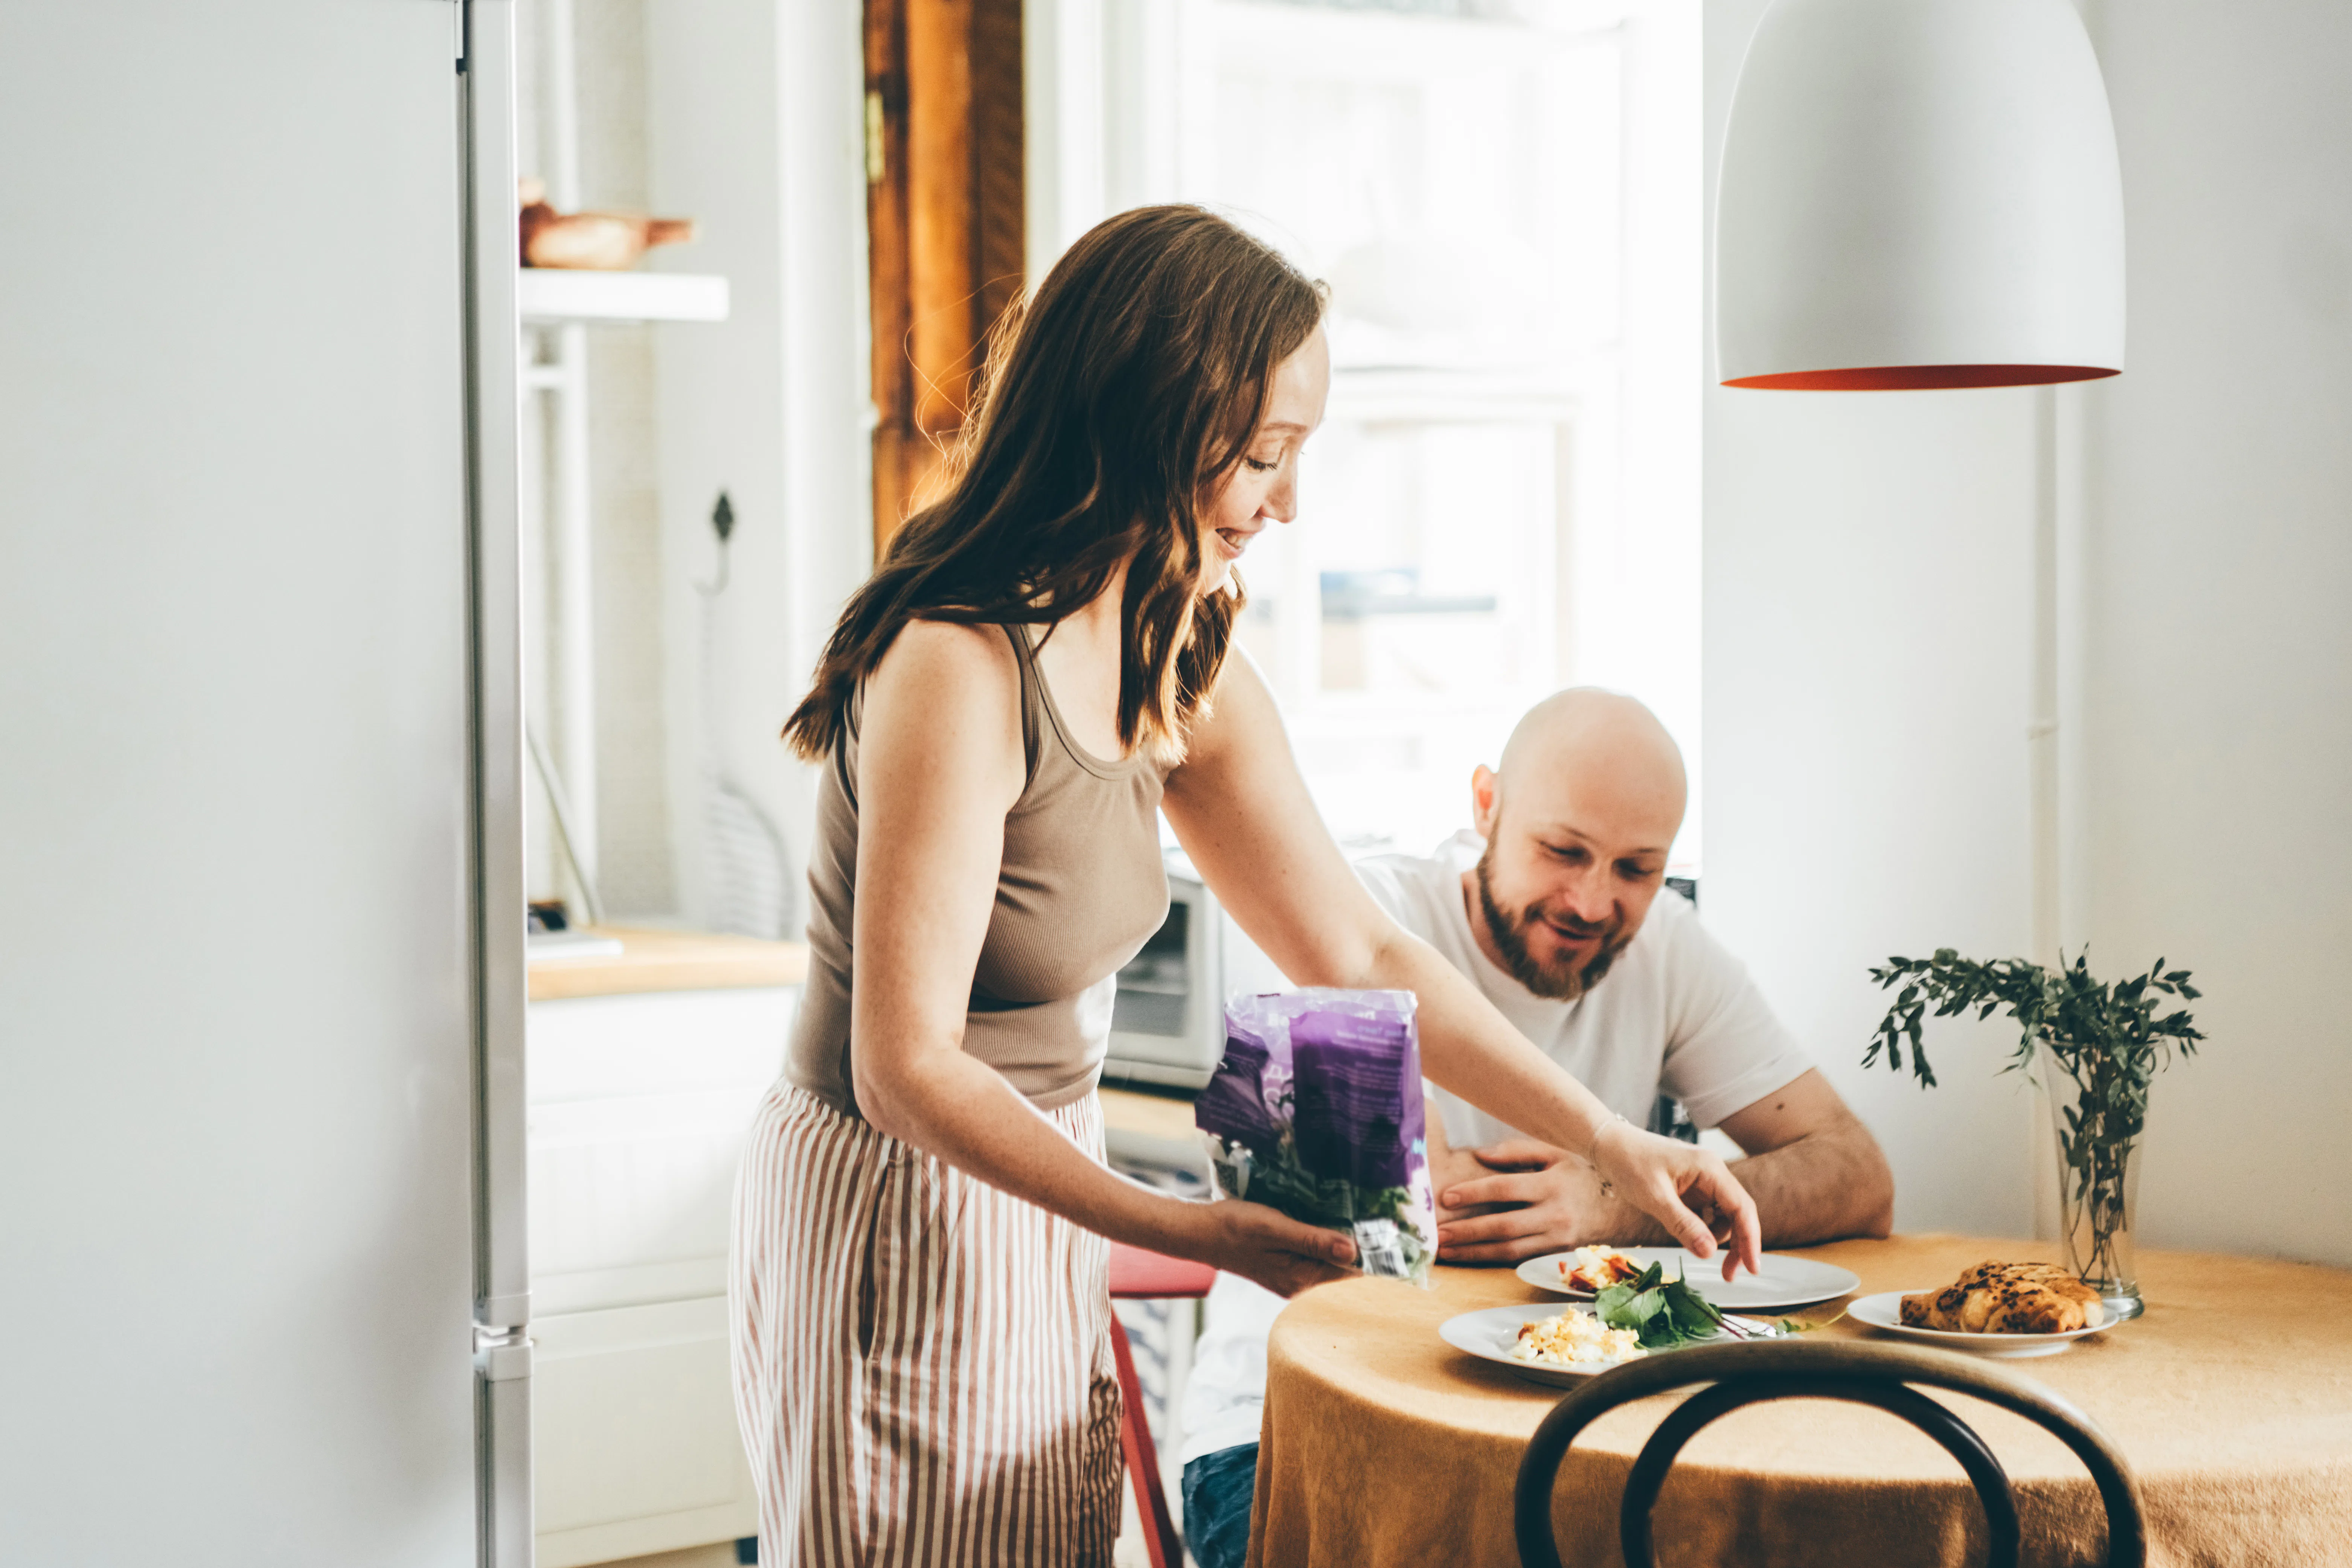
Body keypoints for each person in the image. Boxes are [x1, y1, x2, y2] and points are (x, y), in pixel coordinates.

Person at [729, 206, 1765, 1568]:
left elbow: (1356, 947)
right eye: (1265, 455)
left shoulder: (1173, 650)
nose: (1287, 503)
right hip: (899, 1202)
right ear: (1145, 423)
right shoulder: (958, 663)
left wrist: (1611, 1142)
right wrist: (1196, 1230)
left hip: (1037, 1183)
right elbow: (906, 1067)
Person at [1178, 689, 1895, 1568]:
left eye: (1637, 869)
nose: (1592, 902)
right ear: (1486, 805)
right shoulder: (1347, 913)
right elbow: (1412, 1214)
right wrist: (1646, 1182)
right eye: (1563, 852)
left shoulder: (1667, 944)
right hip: (1287, 1432)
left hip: (1577, 1435)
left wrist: (1613, 1208)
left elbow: (1859, 1174)